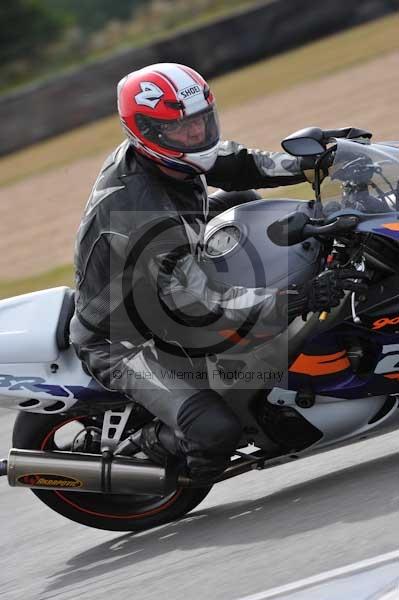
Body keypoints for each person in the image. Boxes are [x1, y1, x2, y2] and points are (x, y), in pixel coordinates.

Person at [70, 63, 367, 485]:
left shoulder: (170, 159)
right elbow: (207, 309)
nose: (196, 136)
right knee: (214, 430)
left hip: (169, 274)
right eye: (181, 130)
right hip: (122, 336)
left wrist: (324, 159)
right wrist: (302, 298)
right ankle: (162, 455)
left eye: (201, 122)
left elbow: (244, 163)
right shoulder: (141, 215)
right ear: (148, 133)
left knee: (246, 201)